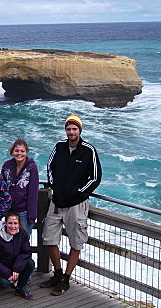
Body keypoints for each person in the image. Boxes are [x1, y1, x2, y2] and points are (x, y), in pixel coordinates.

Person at [40, 114, 102, 295]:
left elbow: (96, 177)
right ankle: (58, 274)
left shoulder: (88, 150)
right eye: (68, 128)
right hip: (57, 202)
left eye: (74, 129)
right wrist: (55, 188)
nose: (71, 132)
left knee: (76, 242)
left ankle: (66, 278)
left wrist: (79, 193)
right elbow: (50, 168)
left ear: (80, 131)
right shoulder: (59, 147)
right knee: (48, 238)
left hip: (77, 205)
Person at [0, 210, 35, 300]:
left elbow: (26, 252)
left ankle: (20, 288)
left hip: (13, 265)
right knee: (5, 284)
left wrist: (17, 268)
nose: (13, 226)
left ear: (19, 224)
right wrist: (7, 273)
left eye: (15, 223)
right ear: (5, 223)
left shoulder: (22, 233)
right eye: (10, 223)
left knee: (30, 263)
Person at [1, 138, 39, 239]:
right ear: (12, 152)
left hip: (24, 212)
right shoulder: (6, 166)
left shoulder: (32, 168)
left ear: (26, 152)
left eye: (22, 151)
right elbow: (2, 188)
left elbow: (33, 193)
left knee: (22, 243)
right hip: (8, 211)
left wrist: (31, 217)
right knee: (8, 242)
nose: (19, 153)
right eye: (16, 150)